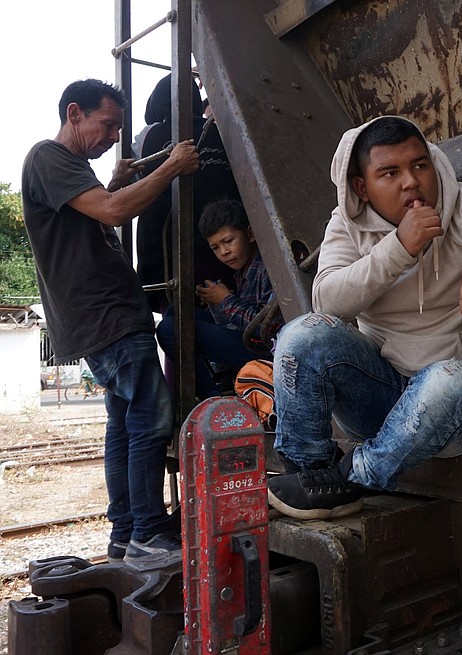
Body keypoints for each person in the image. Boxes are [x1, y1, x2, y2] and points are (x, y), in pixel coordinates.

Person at [265, 116, 462, 519]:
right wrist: (399, 248)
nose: (411, 182)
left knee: (449, 380)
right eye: (390, 173)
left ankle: (353, 479)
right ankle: (310, 473)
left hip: (453, 407)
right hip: (380, 392)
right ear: (362, 187)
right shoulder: (347, 226)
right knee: (301, 337)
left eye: (419, 165)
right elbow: (327, 302)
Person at [21, 79, 199, 562]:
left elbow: (95, 213)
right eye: (107, 125)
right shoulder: (48, 156)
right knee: (151, 417)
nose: (112, 138)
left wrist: (115, 182)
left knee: (124, 424)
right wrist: (171, 166)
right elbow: (113, 211)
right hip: (107, 318)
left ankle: (125, 532)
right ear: (74, 113)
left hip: (106, 317)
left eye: (119, 129)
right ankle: (147, 531)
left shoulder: (73, 171)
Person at [137, 73, 241, 313]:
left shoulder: (148, 137)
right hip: (223, 251)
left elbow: (135, 182)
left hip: (165, 258)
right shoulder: (223, 132)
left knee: (175, 322)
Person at [156, 199, 282, 398]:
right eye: (215, 247)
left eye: (228, 241)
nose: (224, 252)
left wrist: (226, 301)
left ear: (249, 234)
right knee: (175, 313)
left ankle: (210, 397)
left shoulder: (265, 267)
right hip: (247, 341)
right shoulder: (243, 273)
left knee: (170, 329)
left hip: (266, 354)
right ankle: (217, 383)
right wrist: (218, 304)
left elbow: (265, 330)